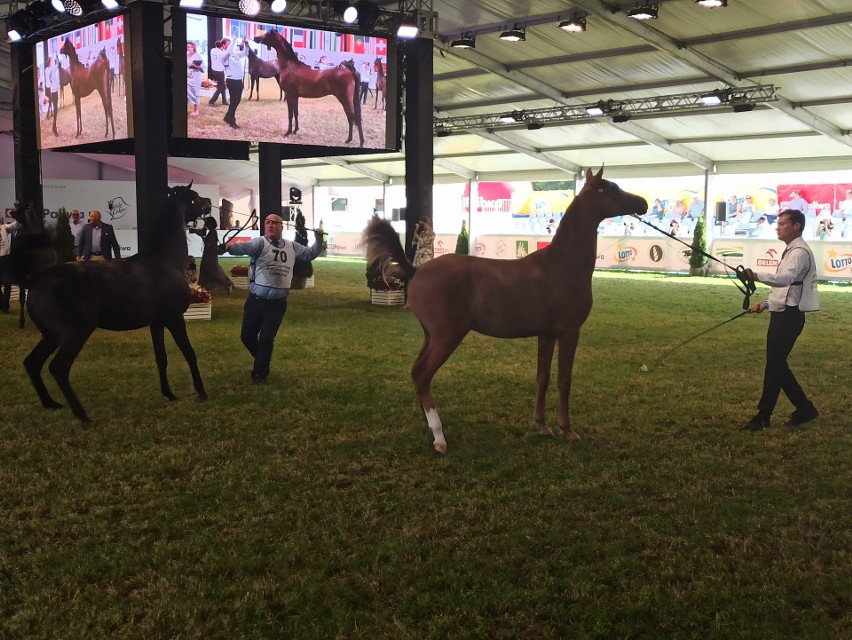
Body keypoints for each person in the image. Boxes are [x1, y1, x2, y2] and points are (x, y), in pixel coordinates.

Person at [220, 214, 324, 383]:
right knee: (246, 337)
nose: (270, 226)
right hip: (256, 301)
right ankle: (263, 360)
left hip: (277, 304)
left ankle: (260, 373)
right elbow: (243, 248)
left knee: (267, 339)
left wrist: (318, 240)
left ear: (282, 227)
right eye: (267, 223)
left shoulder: (292, 246)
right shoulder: (260, 243)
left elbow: (310, 253)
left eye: (274, 223)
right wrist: (228, 247)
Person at [742, 209, 819, 431]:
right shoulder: (792, 250)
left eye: (783, 223)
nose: (778, 226)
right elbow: (789, 289)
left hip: (789, 317)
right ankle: (805, 409)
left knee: (774, 365)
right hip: (784, 313)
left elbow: (785, 279)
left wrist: (755, 275)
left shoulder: (798, 252)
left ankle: (764, 415)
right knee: (777, 364)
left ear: (797, 226)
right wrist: (765, 304)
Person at [190, 216, 232, 293]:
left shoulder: (212, 233)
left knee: (214, 272)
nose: (205, 225)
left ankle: (227, 284)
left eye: (206, 224)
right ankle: (205, 287)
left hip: (210, 256)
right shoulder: (212, 232)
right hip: (209, 255)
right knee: (207, 271)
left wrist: (202, 236)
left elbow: (208, 244)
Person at [223, 37, 248, 130]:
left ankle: (227, 116)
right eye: (228, 44)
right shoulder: (223, 55)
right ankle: (232, 121)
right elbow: (228, 52)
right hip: (232, 80)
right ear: (223, 46)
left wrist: (245, 43)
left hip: (239, 80)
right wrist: (233, 42)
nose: (231, 45)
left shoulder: (235, 54)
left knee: (237, 100)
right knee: (234, 101)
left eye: (231, 43)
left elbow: (244, 53)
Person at [0, 218, 21, 313]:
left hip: (5, 259)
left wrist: (19, 214)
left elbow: (16, 225)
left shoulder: (5, 227)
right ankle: (2, 304)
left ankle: (5, 307)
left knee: (7, 283)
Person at [208, 39, 229, 107]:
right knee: (220, 87)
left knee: (222, 86)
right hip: (220, 71)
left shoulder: (212, 50)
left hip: (214, 70)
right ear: (222, 46)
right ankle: (211, 101)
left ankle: (224, 100)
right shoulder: (221, 53)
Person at [186, 41, 204, 118]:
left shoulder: (198, 56)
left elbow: (203, 68)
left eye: (191, 47)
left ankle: (196, 111)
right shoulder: (186, 56)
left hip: (195, 77)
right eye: (188, 47)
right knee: (186, 94)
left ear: (194, 48)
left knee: (195, 93)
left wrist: (195, 66)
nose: (189, 48)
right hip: (187, 77)